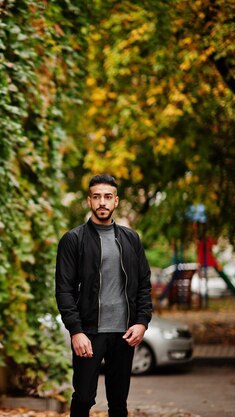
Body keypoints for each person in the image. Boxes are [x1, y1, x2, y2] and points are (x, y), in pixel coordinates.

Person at [55, 174, 152, 417]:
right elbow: (64, 290)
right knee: (84, 398)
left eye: (108, 197)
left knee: (118, 402)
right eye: (97, 197)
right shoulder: (73, 240)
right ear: (89, 201)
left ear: (116, 201)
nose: (102, 202)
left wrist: (142, 322)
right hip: (89, 332)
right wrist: (76, 331)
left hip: (124, 334)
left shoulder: (131, 239)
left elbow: (143, 285)